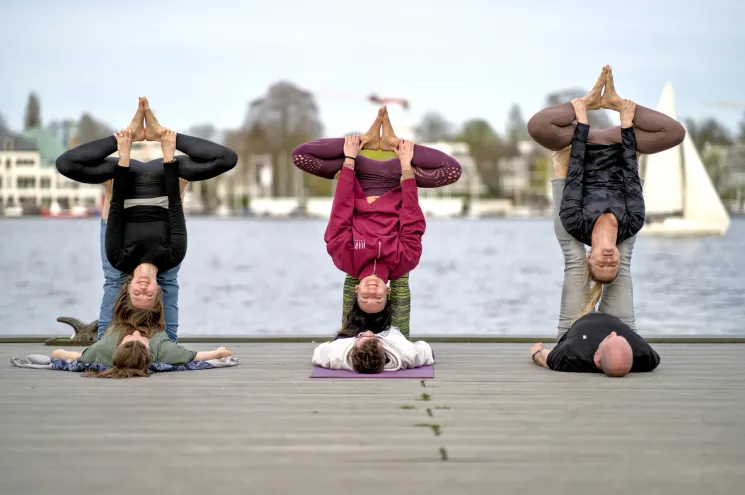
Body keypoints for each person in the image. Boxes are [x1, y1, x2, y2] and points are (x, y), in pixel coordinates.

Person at [56, 98, 238, 341]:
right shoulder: (172, 257)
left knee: (65, 164)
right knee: (226, 159)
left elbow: (116, 207)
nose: (142, 288)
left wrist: (123, 150)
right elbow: (175, 207)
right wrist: (167, 152)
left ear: (128, 288)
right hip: (164, 179)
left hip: (125, 181)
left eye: (136, 293)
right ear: (157, 291)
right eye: (148, 294)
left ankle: (128, 132)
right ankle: (158, 131)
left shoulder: (119, 261)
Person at [293, 106, 461, 332]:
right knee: (452, 171)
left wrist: (351, 159)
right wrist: (405, 166)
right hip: (396, 177)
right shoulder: (405, 261)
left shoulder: (345, 259)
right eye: (377, 299)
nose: (372, 293)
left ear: (356, 291)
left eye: (365, 299)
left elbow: (340, 213)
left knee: (301, 156)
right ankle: (393, 142)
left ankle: (367, 140)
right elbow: (412, 219)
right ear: (388, 293)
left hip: (358, 176)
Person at [528, 66, 685, 287]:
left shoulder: (575, 223)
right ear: (620, 260)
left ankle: (589, 100)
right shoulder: (633, 222)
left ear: (589, 258)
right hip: (617, 143)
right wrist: (627, 123)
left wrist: (582, 123)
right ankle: (615, 102)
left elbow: (575, 174)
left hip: (581, 144)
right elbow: (631, 174)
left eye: (601, 265)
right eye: (613, 266)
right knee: (675, 133)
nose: (608, 261)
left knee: (537, 126)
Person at [51, 286, 231, 379]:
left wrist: (61, 353)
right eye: (142, 340)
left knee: (118, 285)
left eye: (130, 339)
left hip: (122, 316)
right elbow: (197, 356)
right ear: (150, 352)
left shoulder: (104, 349)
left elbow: (73, 357)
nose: (136, 334)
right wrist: (217, 353)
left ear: (118, 346)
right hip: (153, 317)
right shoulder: (162, 350)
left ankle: (129, 289)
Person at [529, 312, 660, 377]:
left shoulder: (571, 354)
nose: (612, 334)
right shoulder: (645, 356)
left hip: (577, 320)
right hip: (614, 318)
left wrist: (536, 352)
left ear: (597, 359)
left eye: (609, 338)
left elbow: (546, 357)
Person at [312, 328, 434, 374]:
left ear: (352, 350)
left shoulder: (335, 354)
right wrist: (413, 345)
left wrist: (330, 344)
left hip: (353, 330)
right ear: (384, 352)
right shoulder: (407, 353)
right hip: (390, 328)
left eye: (366, 337)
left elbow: (318, 353)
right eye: (374, 337)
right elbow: (427, 351)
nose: (370, 332)